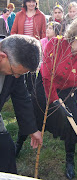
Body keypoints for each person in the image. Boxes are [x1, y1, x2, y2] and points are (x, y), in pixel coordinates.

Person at [32, 15, 77, 179]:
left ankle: (70, 159)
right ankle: (19, 142)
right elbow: (46, 76)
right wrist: (55, 101)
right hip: (46, 86)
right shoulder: (55, 44)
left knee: (74, 125)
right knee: (35, 115)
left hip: (67, 90)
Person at [0, 34, 43, 174]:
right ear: (2, 57)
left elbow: (21, 97)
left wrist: (32, 129)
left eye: (20, 74)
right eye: (14, 72)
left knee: (6, 150)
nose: (16, 77)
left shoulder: (15, 67)